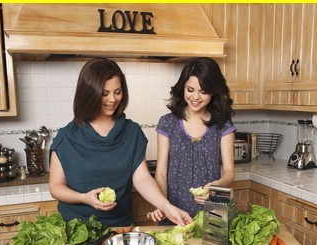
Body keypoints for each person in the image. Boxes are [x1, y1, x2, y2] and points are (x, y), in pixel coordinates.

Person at [49, 57, 191, 227]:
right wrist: (84, 198)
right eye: (104, 93)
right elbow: (56, 187)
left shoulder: (132, 132)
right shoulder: (67, 137)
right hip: (76, 230)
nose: (112, 100)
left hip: (121, 229)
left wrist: (167, 207)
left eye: (117, 92)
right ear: (89, 93)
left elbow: (143, 178)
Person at [147, 57, 236, 224]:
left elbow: (230, 172)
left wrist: (215, 186)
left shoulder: (223, 125)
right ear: (183, 88)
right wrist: (163, 205)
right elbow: (160, 172)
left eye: (203, 92)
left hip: (212, 212)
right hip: (174, 212)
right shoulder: (168, 123)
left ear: (213, 92)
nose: (195, 97)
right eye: (190, 89)